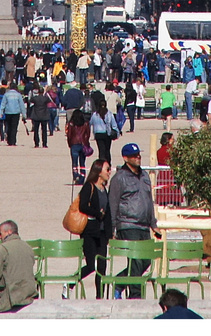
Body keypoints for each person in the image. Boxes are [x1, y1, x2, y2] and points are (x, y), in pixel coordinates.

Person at [108, 142, 157, 298]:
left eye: (138, 155)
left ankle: (120, 282)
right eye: (134, 156)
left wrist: (153, 223)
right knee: (135, 261)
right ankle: (135, 295)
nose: (137, 158)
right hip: (128, 224)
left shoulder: (145, 176)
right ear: (125, 158)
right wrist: (113, 228)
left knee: (147, 260)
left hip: (144, 225)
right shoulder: (119, 178)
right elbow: (113, 203)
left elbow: (149, 200)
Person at [0, 220, 37, 313]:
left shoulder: (3, 249)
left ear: (8, 232)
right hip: (28, 294)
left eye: (0, 233)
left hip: (11, 297)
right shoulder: (28, 247)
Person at [77, 158, 112, 298]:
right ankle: (72, 282)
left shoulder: (104, 189)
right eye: (107, 169)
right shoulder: (89, 187)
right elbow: (82, 206)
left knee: (102, 267)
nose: (109, 172)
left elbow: (108, 212)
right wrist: (98, 213)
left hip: (102, 233)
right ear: (98, 171)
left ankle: (100, 296)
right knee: (91, 265)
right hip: (90, 232)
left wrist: (110, 232)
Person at [66, 109, 92, 185]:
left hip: (74, 144)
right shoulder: (86, 123)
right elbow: (88, 134)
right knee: (82, 162)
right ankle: (82, 177)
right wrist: (86, 142)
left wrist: (70, 144)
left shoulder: (71, 124)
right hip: (83, 143)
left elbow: (69, 135)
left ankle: (75, 175)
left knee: (74, 162)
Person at [90, 91, 117, 166]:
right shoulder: (109, 113)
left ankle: (101, 164)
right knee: (107, 150)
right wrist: (116, 132)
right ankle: (108, 163)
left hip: (98, 134)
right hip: (106, 133)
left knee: (101, 150)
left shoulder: (95, 114)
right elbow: (114, 124)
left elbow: (91, 123)